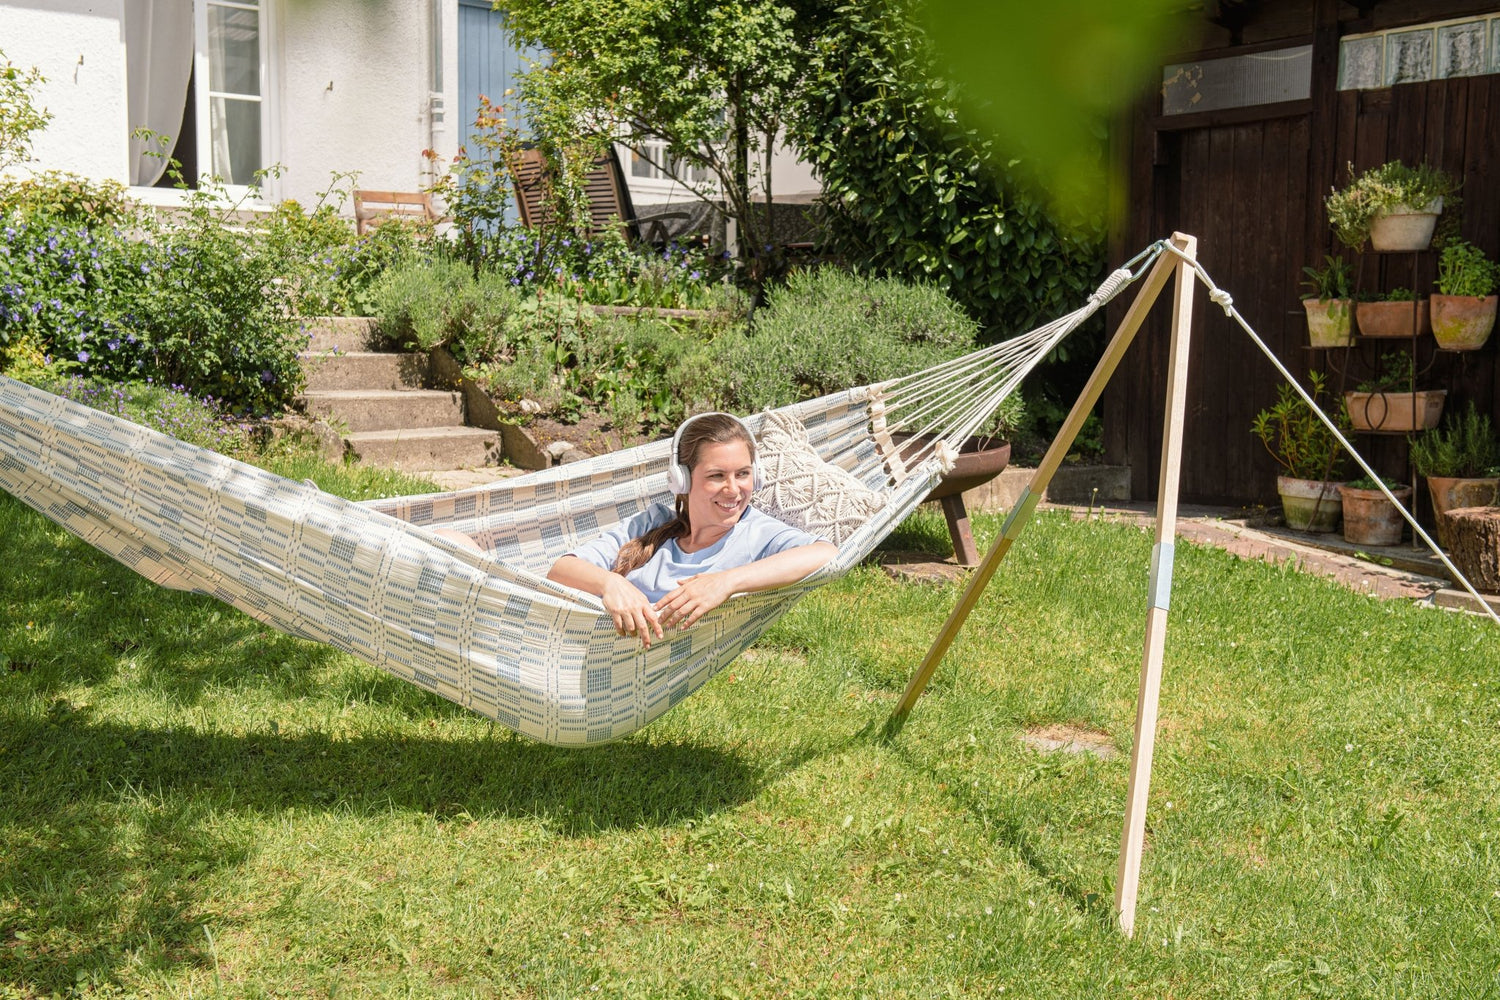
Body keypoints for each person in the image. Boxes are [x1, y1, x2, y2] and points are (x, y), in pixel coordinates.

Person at [547, 412, 836, 647]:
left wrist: (726, 582)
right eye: (717, 476)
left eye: (743, 474)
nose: (733, 489)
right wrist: (611, 584)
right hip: (589, 649)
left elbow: (826, 554)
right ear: (681, 480)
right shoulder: (654, 522)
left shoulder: (755, 533)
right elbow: (561, 569)